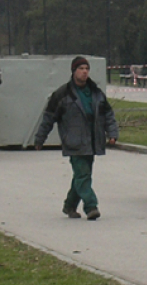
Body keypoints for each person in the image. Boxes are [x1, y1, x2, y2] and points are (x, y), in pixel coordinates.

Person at [34, 56, 119, 220]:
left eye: (87, 68)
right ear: (73, 71)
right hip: (73, 141)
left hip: (92, 141)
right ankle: (91, 206)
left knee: (82, 176)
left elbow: (107, 113)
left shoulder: (95, 92)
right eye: (81, 68)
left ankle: (69, 205)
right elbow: (49, 117)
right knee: (83, 175)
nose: (84, 72)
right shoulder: (63, 94)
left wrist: (112, 133)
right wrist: (40, 139)